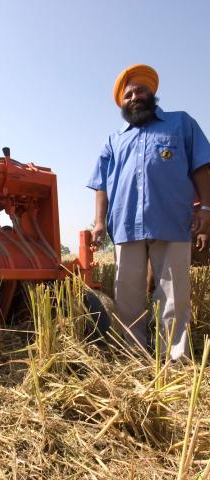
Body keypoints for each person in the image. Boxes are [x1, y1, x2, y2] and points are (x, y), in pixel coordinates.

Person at [87, 64, 210, 360]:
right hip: (126, 225)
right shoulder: (114, 140)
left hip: (171, 220)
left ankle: (175, 358)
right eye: (127, 94)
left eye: (140, 90)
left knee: (173, 295)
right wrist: (99, 223)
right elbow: (101, 184)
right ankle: (134, 355)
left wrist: (205, 207)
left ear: (151, 92)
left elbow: (202, 166)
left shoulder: (181, 123)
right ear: (122, 102)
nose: (134, 96)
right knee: (127, 296)